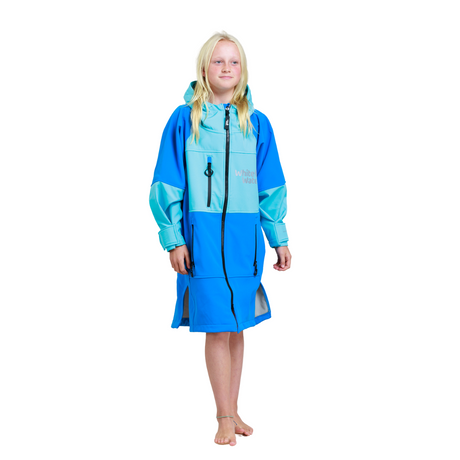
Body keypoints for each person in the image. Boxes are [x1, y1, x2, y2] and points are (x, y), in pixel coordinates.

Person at [148, 31, 292, 446]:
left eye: (233, 61)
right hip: (203, 240)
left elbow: (271, 186)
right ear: (204, 68)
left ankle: (234, 408)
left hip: (245, 244)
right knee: (217, 326)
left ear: (242, 70)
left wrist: (278, 237)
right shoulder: (185, 120)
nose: (226, 68)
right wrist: (174, 238)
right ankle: (223, 416)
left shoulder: (257, 124)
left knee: (237, 325)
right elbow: (166, 183)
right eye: (218, 61)